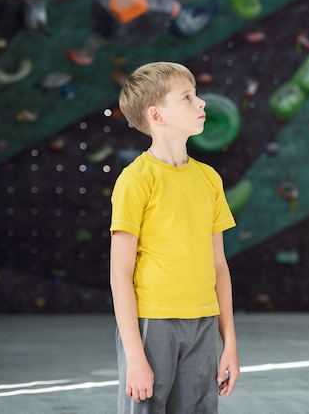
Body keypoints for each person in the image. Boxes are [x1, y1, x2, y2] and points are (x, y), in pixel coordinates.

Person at [109, 61, 239, 414]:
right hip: (154, 322)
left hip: (203, 322)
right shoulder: (136, 180)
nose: (202, 104)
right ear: (157, 115)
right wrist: (135, 358)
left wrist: (230, 343)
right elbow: (120, 274)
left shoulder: (210, 179)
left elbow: (219, 266)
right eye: (187, 98)